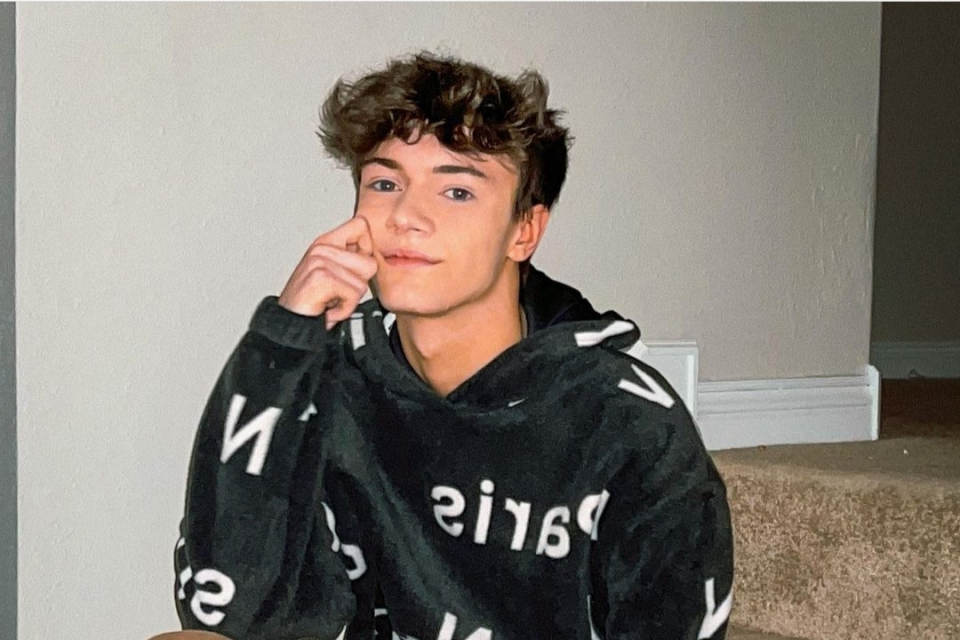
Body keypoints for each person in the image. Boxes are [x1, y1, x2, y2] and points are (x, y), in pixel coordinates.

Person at [163, 51, 733, 640]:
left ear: (524, 231)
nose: (406, 216)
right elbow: (227, 608)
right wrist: (281, 346)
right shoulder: (333, 374)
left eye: (457, 191)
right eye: (385, 183)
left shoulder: (627, 421)